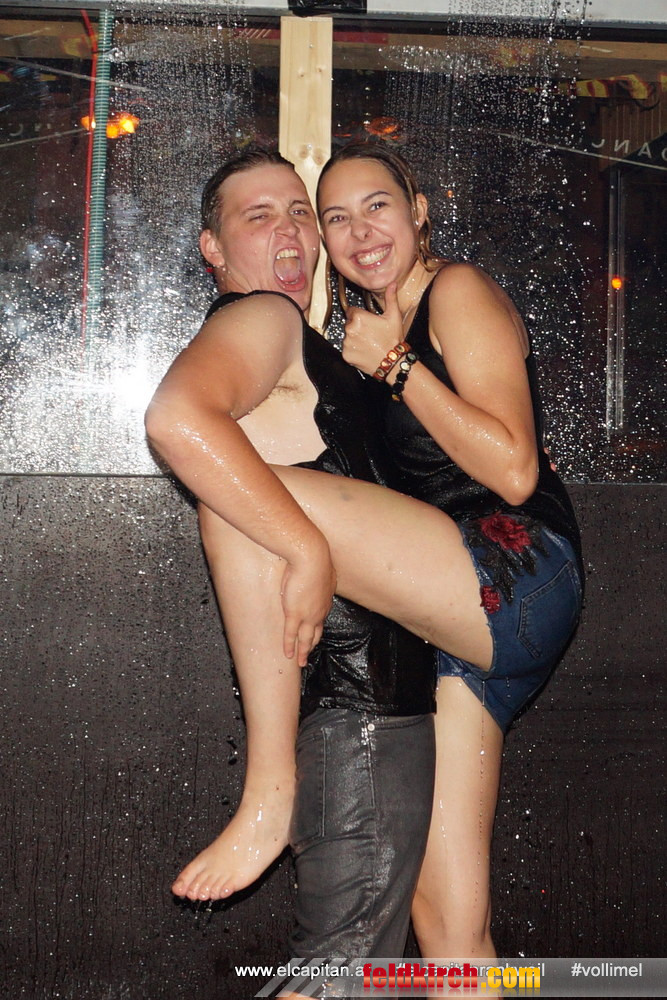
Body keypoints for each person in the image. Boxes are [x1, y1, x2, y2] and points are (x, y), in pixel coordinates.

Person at [149, 139, 584, 963]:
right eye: (337, 216)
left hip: (513, 573)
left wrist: (396, 367)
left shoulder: (453, 291)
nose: (358, 231)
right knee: (450, 928)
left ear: (418, 213)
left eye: (377, 206)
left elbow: (515, 471)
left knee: (237, 500)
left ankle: (270, 795)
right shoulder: (361, 339)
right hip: (455, 633)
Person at [145, 148, 437, 964]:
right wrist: (306, 548)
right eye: (258, 215)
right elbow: (177, 420)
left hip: (347, 706)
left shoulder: (300, 342)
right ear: (211, 248)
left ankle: (270, 796)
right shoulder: (265, 318)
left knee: (376, 959)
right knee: (341, 973)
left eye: (300, 212)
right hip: (359, 710)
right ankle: (268, 798)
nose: (291, 230)